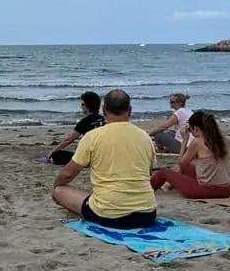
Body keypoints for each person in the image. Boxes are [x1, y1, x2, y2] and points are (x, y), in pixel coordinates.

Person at [52, 89, 157, 229]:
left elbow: (68, 174)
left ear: (104, 109)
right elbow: (148, 173)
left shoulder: (93, 137)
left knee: (60, 191)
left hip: (109, 215)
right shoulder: (145, 137)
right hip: (147, 214)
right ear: (130, 110)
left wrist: (56, 185)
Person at [151, 110, 230, 199]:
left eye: (190, 129)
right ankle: (167, 185)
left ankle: (148, 188)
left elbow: (181, 163)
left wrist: (184, 141)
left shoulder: (198, 142)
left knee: (163, 172)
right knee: (188, 168)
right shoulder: (220, 140)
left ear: (196, 128)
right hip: (226, 190)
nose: (190, 133)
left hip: (206, 190)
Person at [48, 91, 105, 164]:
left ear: (86, 106)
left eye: (82, 104)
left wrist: (52, 151)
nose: (81, 107)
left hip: (92, 157)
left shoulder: (84, 122)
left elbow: (68, 140)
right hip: (104, 155)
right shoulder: (103, 119)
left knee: (56, 155)